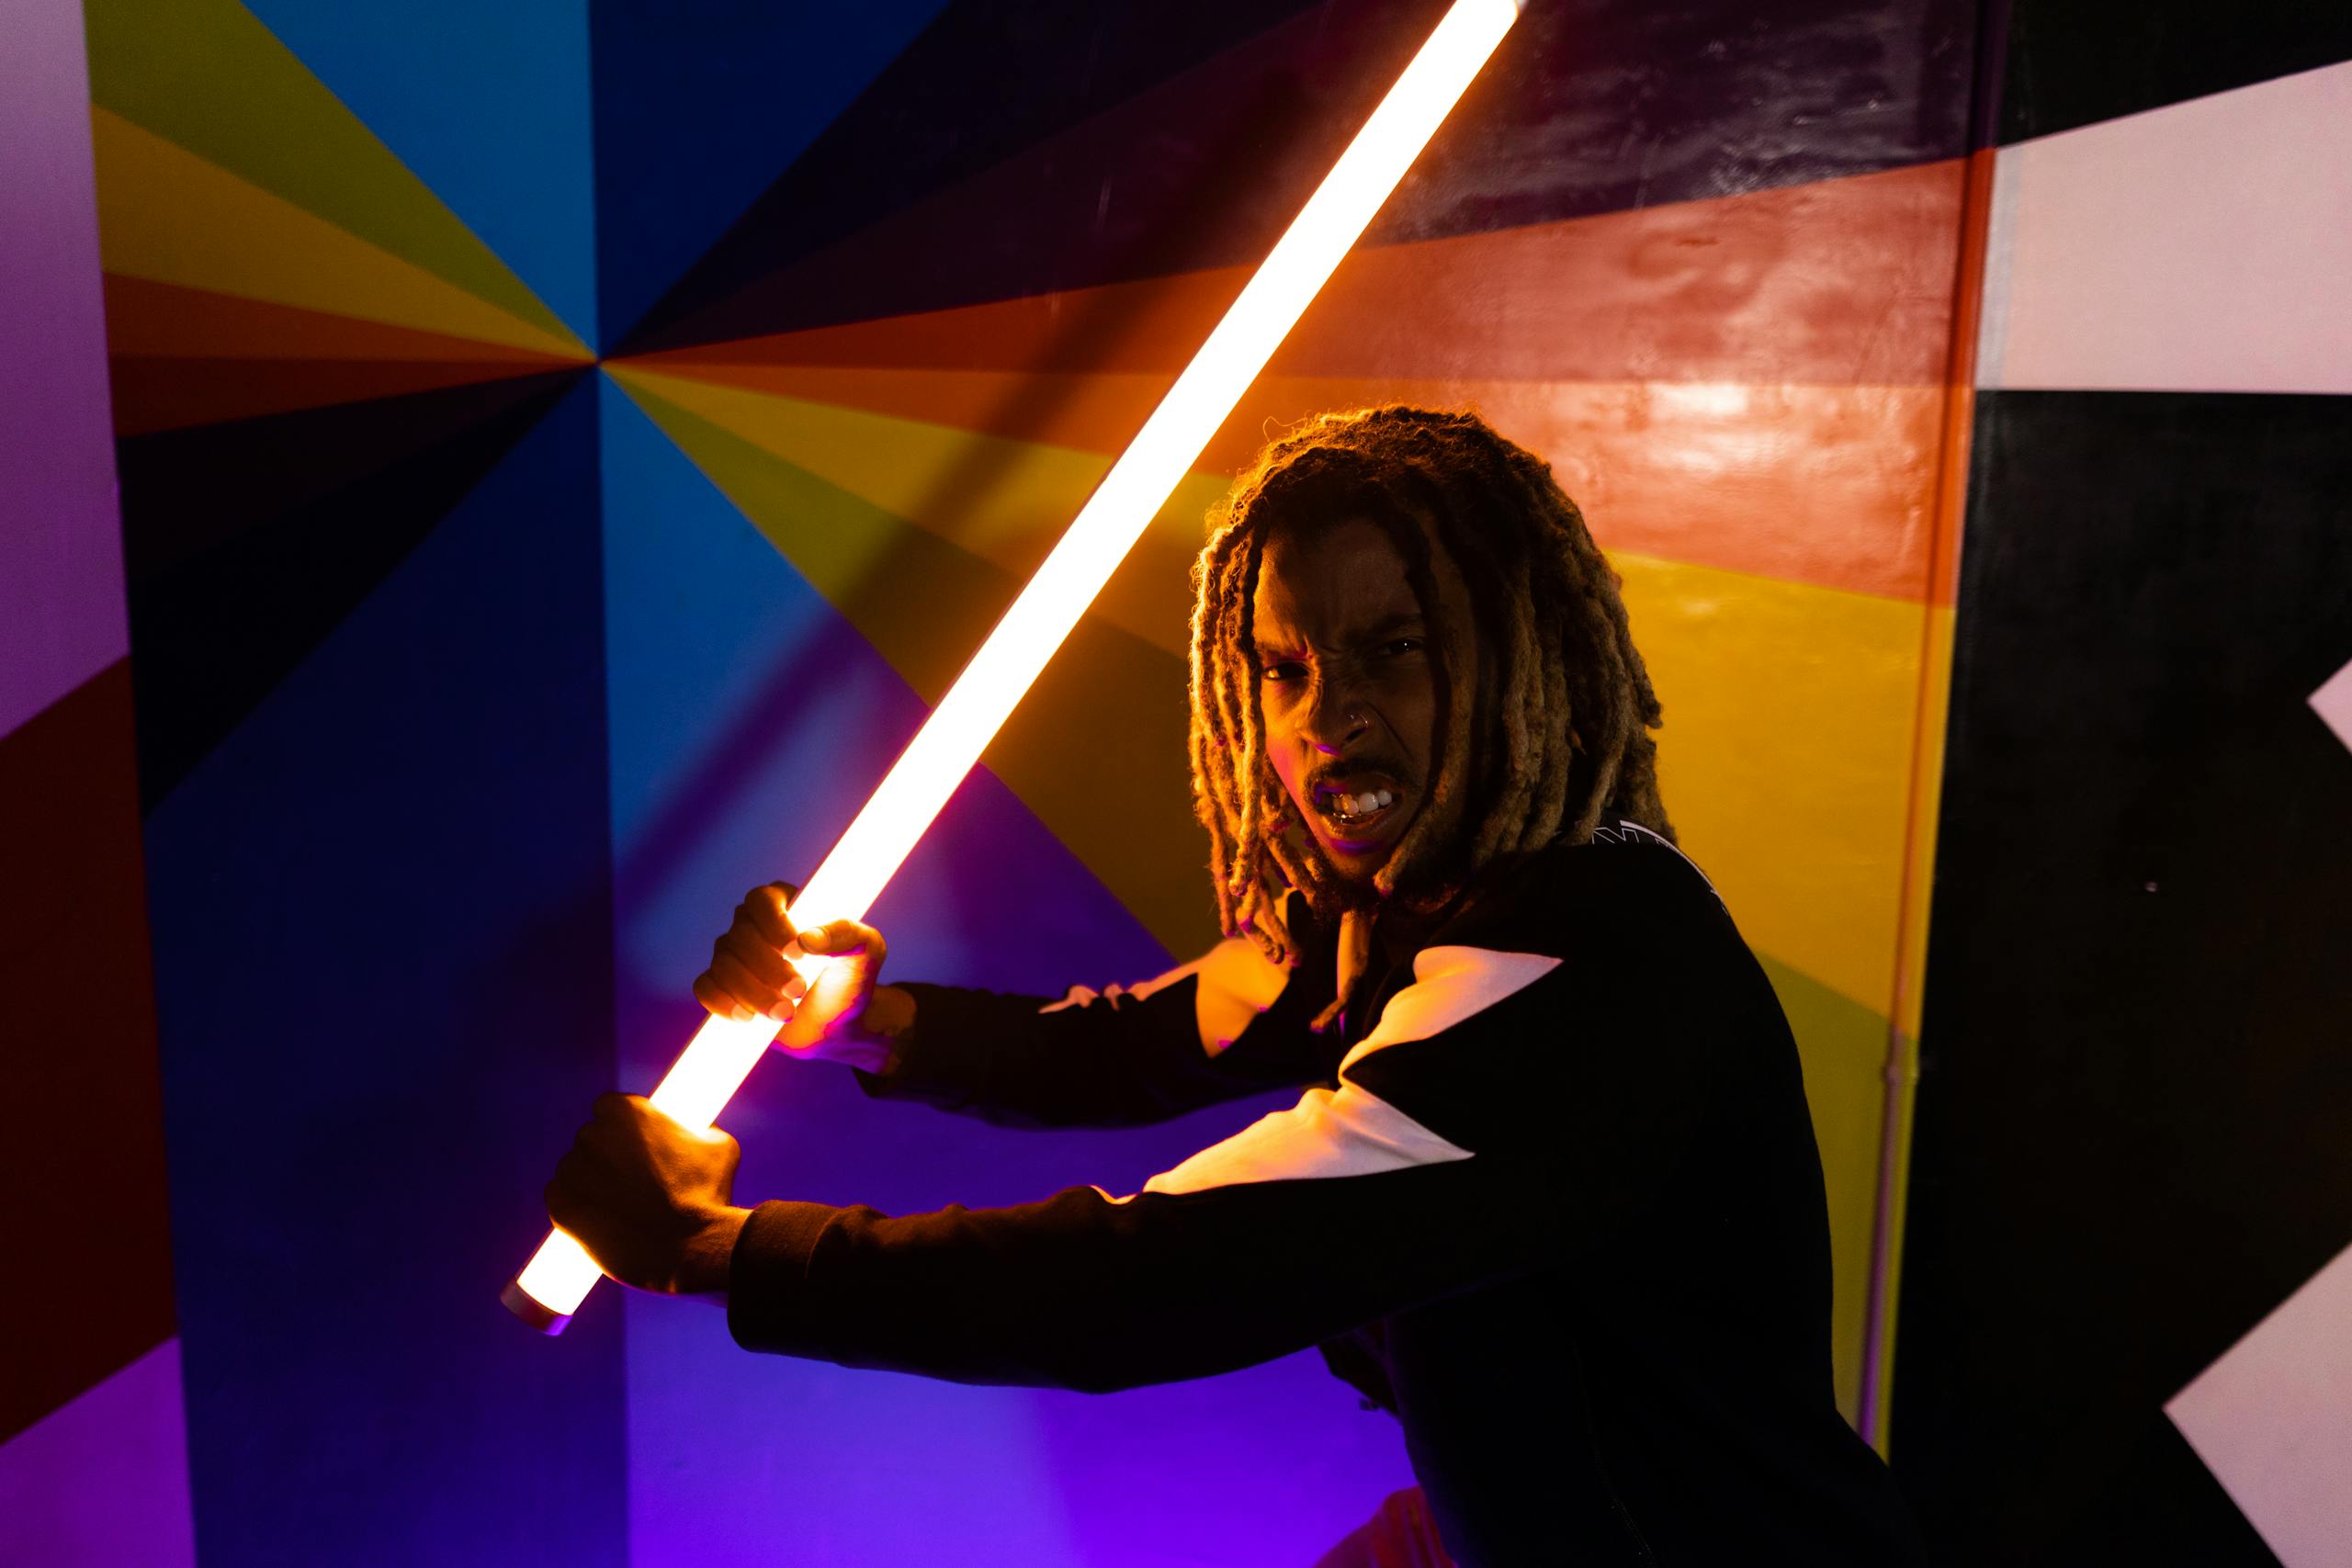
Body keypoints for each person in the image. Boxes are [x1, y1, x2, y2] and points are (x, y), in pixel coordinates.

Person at [543, 407, 1928, 1564]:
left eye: (1396, 647)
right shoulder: (1399, 912)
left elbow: (1165, 1273)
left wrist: (721, 1250)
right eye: (1282, 666)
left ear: (1523, 655)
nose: (1328, 716)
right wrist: (862, 1023)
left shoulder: (1581, 966)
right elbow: (1139, 1047)